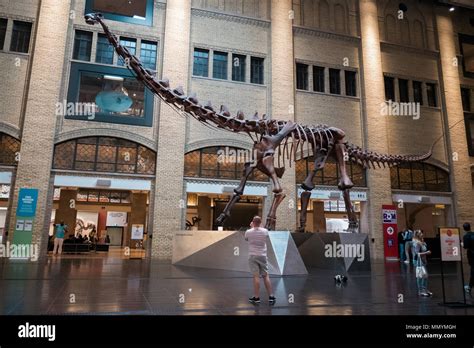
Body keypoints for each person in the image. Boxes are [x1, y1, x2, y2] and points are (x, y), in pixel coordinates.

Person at [244, 216, 275, 305]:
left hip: (253, 256)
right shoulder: (265, 231)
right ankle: (271, 296)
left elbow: (246, 239)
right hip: (263, 256)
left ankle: (257, 298)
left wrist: (251, 228)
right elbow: (266, 236)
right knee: (265, 276)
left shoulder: (248, 232)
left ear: (252, 222)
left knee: (256, 276)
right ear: (261, 223)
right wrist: (259, 227)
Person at [413, 230, 432, 297]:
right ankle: (420, 291)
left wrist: (425, 258)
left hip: (423, 260)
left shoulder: (422, 242)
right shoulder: (417, 243)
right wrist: (426, 253)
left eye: (422, 233)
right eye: (420, 233)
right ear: (417, 235)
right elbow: (417, 253)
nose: (422, 234)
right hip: (418, 261)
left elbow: (424, 249)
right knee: (420, 276)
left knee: (425, 276)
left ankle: (425, 289)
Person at [462, 222, 474, 294]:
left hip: (472, 256)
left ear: (464, 229)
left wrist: (462, 244)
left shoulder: (466, 236)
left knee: (473, 271)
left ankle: (469, 287)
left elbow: (466, 246)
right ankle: (470, 286)